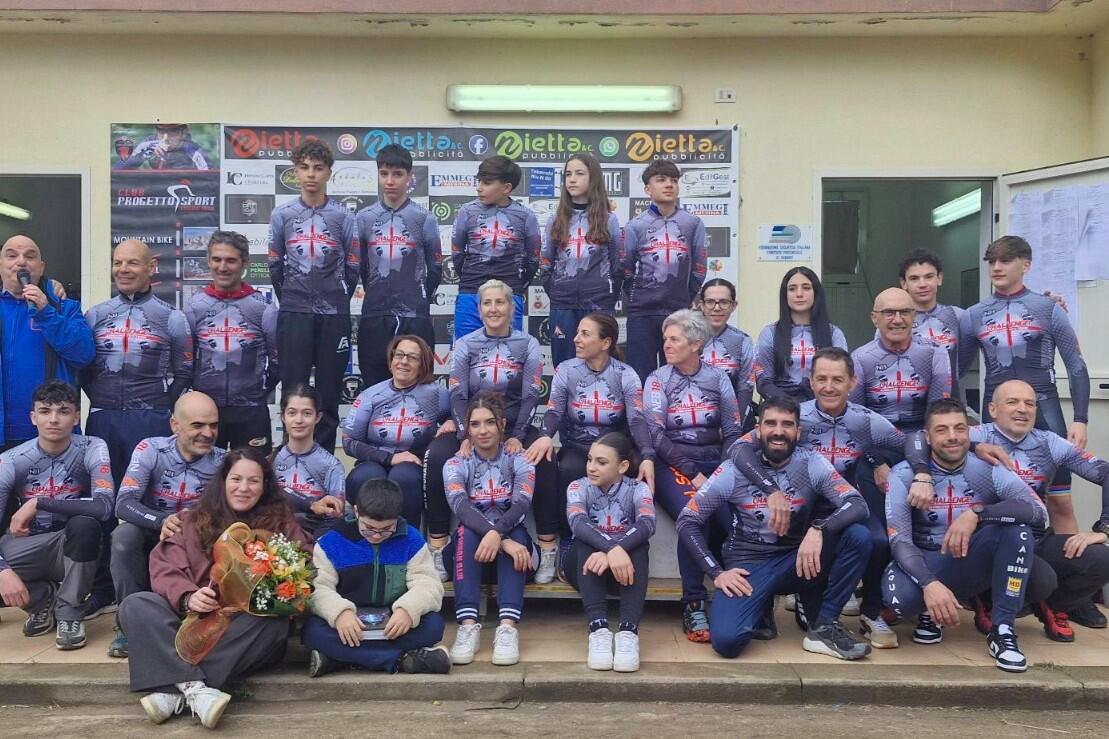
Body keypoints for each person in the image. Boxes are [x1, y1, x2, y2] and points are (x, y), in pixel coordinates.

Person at [117, 448, 309, 729]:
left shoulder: (282, 524)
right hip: (191, 621)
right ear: (223, 481)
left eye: (253, 481)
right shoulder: (191, 520)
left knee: (273, 625)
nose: (244, 488)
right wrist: (188, 596)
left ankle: (174, 689)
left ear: (265, 485)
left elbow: (302, 565)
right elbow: (164, 566)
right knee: (135, 605)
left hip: (240, 629)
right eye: (236, 479)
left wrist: (271, 593)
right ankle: (196, 690)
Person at [730, 347, 908, 648]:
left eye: (837, 380)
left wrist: (895, 467)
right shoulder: (796, 417)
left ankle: (869, 612)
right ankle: (782, 600)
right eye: (822, 379)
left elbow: (911, 444)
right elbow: (738, 449)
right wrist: (769, 489)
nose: (829, 387)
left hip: (845, 507)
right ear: (811, 382)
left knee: (876, 540)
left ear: (852, 382)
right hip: (799, 507)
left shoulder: (866, 420)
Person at [906, 379, 1109, 639]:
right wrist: (973, 446)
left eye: (1029, 404)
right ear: (992, 409)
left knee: (1101, 558)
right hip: (986, 541)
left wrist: (1103, 528)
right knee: (1039, 578)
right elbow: (917, 439)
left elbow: (1106, 472)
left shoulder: (1049, 442)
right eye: (1012, 402)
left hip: (1035, 536)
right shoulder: (975, 434)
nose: (1022, 409)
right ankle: (988, 600)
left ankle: (1052, 604)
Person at [677, 397, 873, 661]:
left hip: (798, 560)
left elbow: (858, 504)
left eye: (787, 424)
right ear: (758, 430)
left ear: (798, 432)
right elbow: (687, 520)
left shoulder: (811, 462)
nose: (778, 431)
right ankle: (762, 606)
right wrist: (716, 573)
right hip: (750, 564)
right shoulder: (733, 470)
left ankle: (825, 626)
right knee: (726, 642)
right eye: (770, 423)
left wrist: (820, 529)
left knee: (858, 536)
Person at [883, 398, 1048, 673]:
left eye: (959, 428)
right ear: (927, 437)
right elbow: (899, 540)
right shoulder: (903, 474)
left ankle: (1003, 630)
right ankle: (929, 610)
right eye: (942, 430)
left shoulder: (989, 467)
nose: (952, 436)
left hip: (969, 557)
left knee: (1018, 531)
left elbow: (1037, 511)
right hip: (926, 559)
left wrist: (978, 513)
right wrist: (928, 583)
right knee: (900, 600)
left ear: (969, 433)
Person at [958, 235, 1090, 535]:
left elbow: (1076, 365)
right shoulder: (973, 314)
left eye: (1005, 260)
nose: (996, 267)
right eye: (992, 261)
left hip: (1044, 408)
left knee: (1060, 502)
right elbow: (955, 372)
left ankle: (1069, 563)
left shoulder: (1048, 308)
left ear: (1026, 265)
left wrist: (1081, 419)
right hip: (995, 412)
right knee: (995, 499)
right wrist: (962, 421)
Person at [423, 280, 552, 581]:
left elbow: (531, 394)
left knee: (544, 457)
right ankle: (438, 545)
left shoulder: (528, 343)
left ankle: (548, 548)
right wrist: (464, 435)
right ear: (479, 310)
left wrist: (518, 436)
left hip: (514, 425)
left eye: (500, 302)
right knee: (436, 454)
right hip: (474, 425)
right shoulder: (466, 343)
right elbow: (458, 394)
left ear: (511, 308)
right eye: (487, 303)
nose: (493, 309)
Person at [526, 313, 653, 581]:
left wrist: (648, 455)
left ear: (605, 342)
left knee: (632, 469)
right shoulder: (566, 369)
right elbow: (554, 410)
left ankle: (626, 543)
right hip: (577, 446)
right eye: (577, 333)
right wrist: (546, 435)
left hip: (614, 449)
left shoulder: (625, 374)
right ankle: (566, 542)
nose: (576, 339)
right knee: (566, 467)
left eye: (585, 334)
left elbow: (637, 419)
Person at [644, 309, 741, 642]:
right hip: (672, 465)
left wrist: (723, 470)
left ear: (696, 343)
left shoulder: (718, 378)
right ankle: (694, 603)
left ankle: (749, 596)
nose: (666, 344)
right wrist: (692, 472)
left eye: (674, 339)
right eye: (665, 338)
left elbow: (732, 430)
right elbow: (655, 435)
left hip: (715, 462)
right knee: (695, 514)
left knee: (737, 519)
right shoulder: (658, 378)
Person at [108, 391, 225, 658]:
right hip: (153, 531)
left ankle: (196, 614)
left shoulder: (222, 461)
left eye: (213, 425)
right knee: (123, 536)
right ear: (175, 425)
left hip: (195, 539)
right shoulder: (151, 449)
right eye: (198, 425)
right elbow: (123, 503)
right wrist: (161, 520)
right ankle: (127, 623)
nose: (207, 433)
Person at [0, 381, 114, 651]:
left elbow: (104, 506)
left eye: (63, 411)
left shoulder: (92, 447)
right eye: (45, 411)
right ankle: (43, 600)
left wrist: (39, 502)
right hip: (28, 545)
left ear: (76, 417)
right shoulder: (12, 459)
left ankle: (70, 614)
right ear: (33, 417)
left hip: (73, 545)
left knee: (85, 525)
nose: (53, 419)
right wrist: (2, 571)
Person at [302, 478, 450, 677]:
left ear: (397, 518)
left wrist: (408, 610)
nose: (377, 536)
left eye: (386, 529)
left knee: (433, 625)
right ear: (356, 512)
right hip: (350, 621)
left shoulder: (412, 540)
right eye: (369, 528)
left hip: (393, 621)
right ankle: (401, 660)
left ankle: (338, 658)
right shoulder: (330, 542)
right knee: (312, 631)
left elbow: (429, 584)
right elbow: (318, 589)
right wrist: (339, 613)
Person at [268, 139, 359, 451]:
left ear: (329, 173)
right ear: (295, 171)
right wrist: (293, 298)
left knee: (329, 393)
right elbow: (274, 265)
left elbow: (353, 267)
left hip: (334, 314)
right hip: (294, 312)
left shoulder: (344, 217)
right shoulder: (282, 214)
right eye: (304, 167)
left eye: (318, 168)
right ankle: (289, 460)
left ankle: (324, 461)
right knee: (292, 392)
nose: (311, 174)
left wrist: (334, 298)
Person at [83, 239, 194, 486]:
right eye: (117, 263)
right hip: (103, 417)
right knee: (103, 493)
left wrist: (161, 405)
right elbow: (83, 368)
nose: (123, 269)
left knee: (149, 493)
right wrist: (101, 398)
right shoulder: (95, 314)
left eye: (132, 263)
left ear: (151, 267)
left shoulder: (172, 317)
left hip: (151, 419)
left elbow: (185, 372)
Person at [445, 392, 537, 668]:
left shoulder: (520, 460)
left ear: (502, 424)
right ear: (467, 429)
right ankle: (468, 627)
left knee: (516, 535)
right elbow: (460, 507)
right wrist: (498, 537)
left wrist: (499, 536)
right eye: (475, 424)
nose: (482, 430)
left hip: (516, 556)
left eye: (489, 422)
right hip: (469, 556)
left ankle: (507, 628)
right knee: (467, 531)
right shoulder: (455, 463)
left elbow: (521, 504)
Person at [564, 433, 655, 672]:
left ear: (622, 466)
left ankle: (628, 632)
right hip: (582, 568)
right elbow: (578, 523)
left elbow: (647, 523)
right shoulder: (578, 486)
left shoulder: (638, 488)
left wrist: (615, 550)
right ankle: (598, 630)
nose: (591, 467)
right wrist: (611, 548)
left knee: (639, 545)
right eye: (589, 459)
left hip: (622, 572)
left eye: (601, 462)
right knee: (586, 541)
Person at [354, 144, 441, 387]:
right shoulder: (364, 218)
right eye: (384, 174)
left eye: (397, 174)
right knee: (374, 385)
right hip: (375, 313)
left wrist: (418, 297)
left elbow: (435, 269)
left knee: (419, 385)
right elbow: (361, 267)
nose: (390, 181)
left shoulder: (424, 218)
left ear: (409, 176)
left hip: (414, 314)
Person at [184, 230, 278, 453]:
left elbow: (278, 362)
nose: (222, 267)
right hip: (206, 412)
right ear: (208, 261)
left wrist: (258, 392)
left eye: (231, 260)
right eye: (216, 259)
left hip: (251, 410)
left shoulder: (263, 308)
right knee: (204, 472)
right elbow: (184, 363)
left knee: (254, 472)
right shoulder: (194, 307)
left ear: (244, 263)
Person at [342, 335, 449, 529]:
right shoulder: (371, 394)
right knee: (367, 476)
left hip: (413, 463)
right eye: (399, 355)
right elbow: (349, 441)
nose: (404, 361)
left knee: (404, 477)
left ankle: (407, 540)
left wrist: (451, 422)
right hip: (374, 460)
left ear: (423, 364)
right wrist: (389, 458)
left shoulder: (436, 393)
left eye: (412, 357)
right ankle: (365, 537)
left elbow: (459, 417)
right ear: (391, 360)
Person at [0, 235, 93, 449]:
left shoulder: (65, 308)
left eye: (30, 256)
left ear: (41, 268)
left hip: (54, 433)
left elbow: (83, 355)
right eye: (12, 256)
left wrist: (46, 313)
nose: (21, 262)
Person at [621, 160, 707, 382]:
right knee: (641, 378)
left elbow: (699, 269)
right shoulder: (635, 225)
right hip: (642, 314)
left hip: (678, 312)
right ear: (648, 189)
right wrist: (638, 298)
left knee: (678, 375)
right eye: (661, 180)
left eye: (674, 180)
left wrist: (683, 298)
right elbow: (626, 271)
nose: (669, 185)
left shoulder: (692, 223)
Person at [539, 154, 623, 367]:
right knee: (564, 366)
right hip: (563, 305)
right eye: (568, 174)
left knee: (599, 366)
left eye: (579, 173)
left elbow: (617, 265)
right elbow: (546, 264)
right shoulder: (555, 220)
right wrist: (558, 292)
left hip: (598, 304)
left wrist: (605, 295)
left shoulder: (609, 219)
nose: (572, 179)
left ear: (593, 178)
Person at [451, 155, 541, 340]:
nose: (479, 187)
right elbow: (457, 254)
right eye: (479, 181)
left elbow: (533, 260)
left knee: (508, 352)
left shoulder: (526, 216)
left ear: (506, 188)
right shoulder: (467, 211)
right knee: (465, 349)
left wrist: (516, 287)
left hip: (509, 294)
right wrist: (473, 278)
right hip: (471, 292)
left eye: (486, 183)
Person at [851, 288, 952, 430]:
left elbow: (939, 413)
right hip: (876, 436)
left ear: (914, 316)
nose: (898, 320)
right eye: (889, 313)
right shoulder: (859, 358)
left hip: (923, 434)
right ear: (874, 318)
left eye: (905, 312)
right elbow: (856, 415)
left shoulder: (935, 353)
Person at [754, 267, 848, 403]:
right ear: (785, 295)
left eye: (806, 288)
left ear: (816, 292)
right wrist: (791, 405)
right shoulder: (770, 333)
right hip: (781, 407)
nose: (799, 294)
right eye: (792, 289)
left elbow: (841, 377)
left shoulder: (834, 333)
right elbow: (764, 381)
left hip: (823, 405)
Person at [272, 384, 347, 540]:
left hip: (314, 536)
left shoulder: (331, 465)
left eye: (307, 413)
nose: (299, 420)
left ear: (317, 417)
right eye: (292, 413)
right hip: (273, 532)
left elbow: (335, 515)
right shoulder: (269, 462)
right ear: (283, 416)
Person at [897, 249, 964, 395]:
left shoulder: (957, 315)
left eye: (929, 277)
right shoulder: (894, 322)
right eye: (914, 278)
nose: (922, 284)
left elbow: (965, 360)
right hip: (911, 401)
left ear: (939, 278)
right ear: (904, 283)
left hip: (950, 400)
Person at [697, 278, 755, 431]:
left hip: (734, 417)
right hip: (695, 419)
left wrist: (735, 427)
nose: (717, 308)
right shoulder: (687, 338)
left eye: (724, 302)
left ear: (733, 306)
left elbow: (745, 389)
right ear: (701, 305)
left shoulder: (743, 341)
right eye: (710, 302)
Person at [112, 123, 211, 171]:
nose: (165, 136)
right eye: (161, 130)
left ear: (184, 132)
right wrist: (142, 152)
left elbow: (212, 182)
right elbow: (116, 171)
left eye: (173, 131)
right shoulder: (149, 143)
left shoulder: (193, 150)